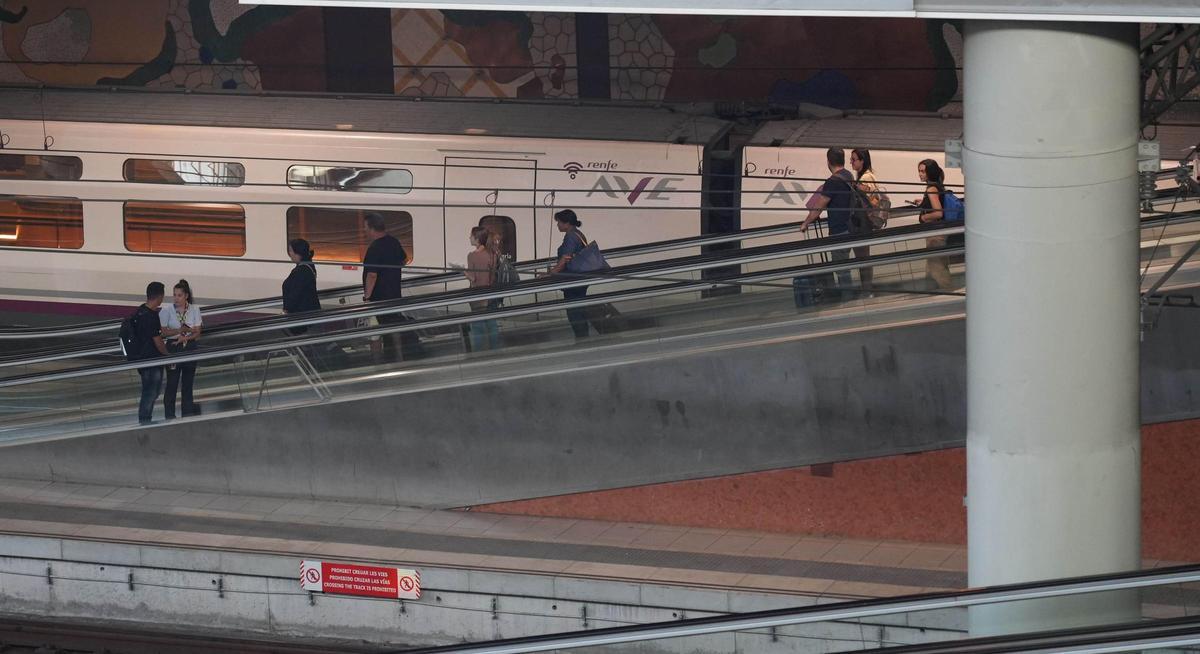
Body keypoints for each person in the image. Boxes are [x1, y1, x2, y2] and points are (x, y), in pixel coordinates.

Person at [362, 211, 420, 361]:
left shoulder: (374, 248)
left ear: (372, 228)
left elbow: (372, 275)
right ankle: (399, 357)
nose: (365, 231)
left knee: (375, 330)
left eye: (366, 228)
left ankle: (378, 362)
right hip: (394, 293)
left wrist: (367, 297)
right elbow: (404, 258)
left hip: (379, 298)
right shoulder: (393, 242)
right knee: (394, 327)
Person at [799, 147, 856, 301]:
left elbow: (819, 206)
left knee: (841, 268)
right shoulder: (848, 175)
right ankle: (847, 295)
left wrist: (805, 223)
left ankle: (847, 298)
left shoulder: (832, 181)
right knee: (843, 265)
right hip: (850, 227)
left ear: (829, 161)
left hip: (839, 229)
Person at [907, 159, 954, 291]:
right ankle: (930, 292)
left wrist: (923, 217)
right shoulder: (937, 186)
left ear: (929, 173)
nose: (920, 174)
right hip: (939, 232)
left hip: (936, 234)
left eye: (923, 171)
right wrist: (923, 202)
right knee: (935, 265)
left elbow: (938, 213)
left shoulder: (931, 189)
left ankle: (949, 294)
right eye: (919, 171)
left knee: (937, 267)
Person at [158, 279, 202, 420]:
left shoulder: (194, 310)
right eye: (174, 295)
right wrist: (179, 330)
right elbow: (163, 332)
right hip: (173, 347)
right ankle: (170, 415)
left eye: (179, 295)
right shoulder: (167, 311)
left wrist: (185, 338)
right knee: (172, 383)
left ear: (186, 296)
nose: (176, 298)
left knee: (188, 384)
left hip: (189, 346)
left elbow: (197, 332)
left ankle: (187, 415)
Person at [546, 209, 591, 338]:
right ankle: (584, 338)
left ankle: (582, 339)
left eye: (559, 222)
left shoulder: (571, 236)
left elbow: (566, 258)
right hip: (580, 279)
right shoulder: (578, 234)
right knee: (579, 311)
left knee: (574, 312)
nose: (557, 225)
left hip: (573, 280)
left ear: (566, 223)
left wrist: (552, 272)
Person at [132, 282, 170, 425]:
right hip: (152, 360)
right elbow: (158, 341)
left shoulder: (139, 312)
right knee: (151, 392)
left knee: (148, 390)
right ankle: (145, 420)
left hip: (142, 359)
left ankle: (144, 418)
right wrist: (168, 355)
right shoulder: (152, 316)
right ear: (160, 296)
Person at [850, 148, 887, 293]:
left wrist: (857, 187)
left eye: (854, 159)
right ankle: (867, 287)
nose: (851, 162)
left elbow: (870, 199)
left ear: (862, 161)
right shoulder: (865, 176)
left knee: (863, 257)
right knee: (863, 257)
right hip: (864, 221)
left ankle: (867, 288)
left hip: (864, 222)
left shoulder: (866, 177)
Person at [464, 226, 501, 351]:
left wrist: (463, 272)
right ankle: (495, 349)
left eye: (471, 236)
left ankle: (479, 352)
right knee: (492, 323)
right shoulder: (492, 254)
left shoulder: (472, 256)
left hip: (477, 295)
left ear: (477, 238)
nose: (469, 238)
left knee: (477, 325)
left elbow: (473, 278)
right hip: (491, 293)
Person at [282, 238, 321, 336]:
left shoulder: (301, 272)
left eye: (290, 250)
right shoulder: (308, 267)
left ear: (297, 253)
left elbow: (295, 294)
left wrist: (286, 310)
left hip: (301, 317)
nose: (289, 253)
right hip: (307, 315)